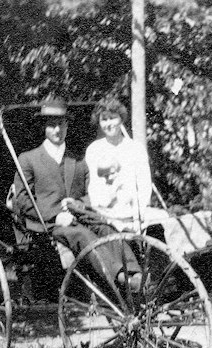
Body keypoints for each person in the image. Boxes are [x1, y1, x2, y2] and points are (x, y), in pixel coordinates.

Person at [10, 98, 138, 289]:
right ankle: (120, 277)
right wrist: (56, 216)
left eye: (61, 125)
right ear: (45, 128)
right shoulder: (28, 159)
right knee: (82, 235)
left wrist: (79, 204)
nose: (57, 130)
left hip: (79, 217)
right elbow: (21, 200)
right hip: (48, 225)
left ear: (67, 126)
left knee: (106, 229)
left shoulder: (78, 161)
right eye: (52, 125)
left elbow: (91, 193)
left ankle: (135, 273)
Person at [84, 97, 169, 232]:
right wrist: (106, 202)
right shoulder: (94, 150)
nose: (109, 123)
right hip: (106, 212)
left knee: (164, 219)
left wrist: (137, 212)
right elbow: (93, 187)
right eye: (104, 119)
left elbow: (144, 185)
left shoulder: (135, 148)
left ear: (121, 119)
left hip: (134, 212)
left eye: (112, 118)